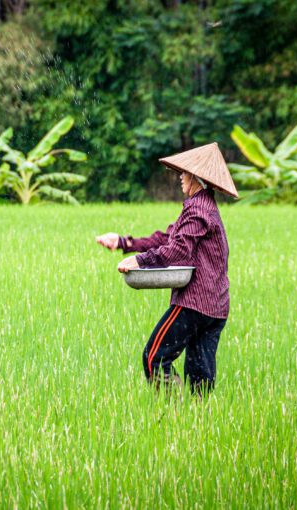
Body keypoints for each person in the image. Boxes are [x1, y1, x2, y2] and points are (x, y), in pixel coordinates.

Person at [95, 143, 238, 396]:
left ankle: (172, 415)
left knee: (154, 358)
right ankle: (196, 423)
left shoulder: (197, 209)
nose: (180, 177)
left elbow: (178, 251)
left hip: (195, 303)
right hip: (216, 307)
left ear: (196, 177)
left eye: (184, 172)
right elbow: (166, 239)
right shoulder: (204, 207)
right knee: (200, 376)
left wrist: (140, 261)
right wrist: (123, 242)